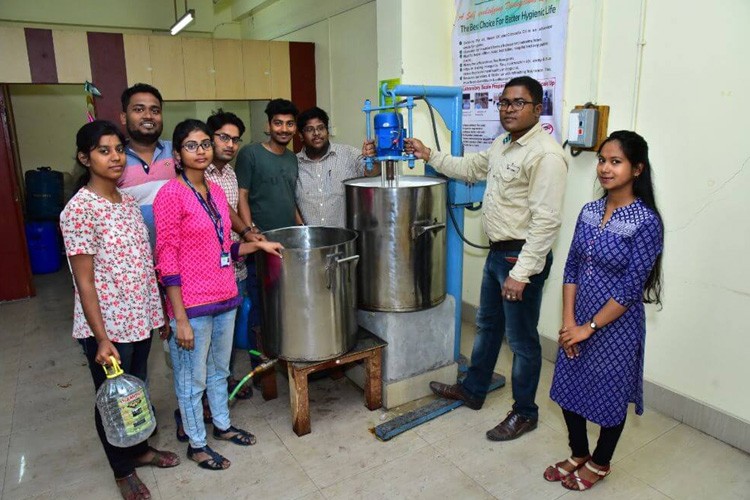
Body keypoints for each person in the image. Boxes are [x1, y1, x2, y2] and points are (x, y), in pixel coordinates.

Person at [374, 75, 568, 441]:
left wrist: (522, 273)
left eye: (518, 103)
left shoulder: (546, 156)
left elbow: (546, 223)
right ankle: (474, 390)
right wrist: (429, 155)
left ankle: (525, 412)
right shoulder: (503, 145)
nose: (509, 109)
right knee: (487, 327)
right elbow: (471, 168)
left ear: (538, 109)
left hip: (519, 258)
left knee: (523, 343)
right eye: (504, 103)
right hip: (498, 254)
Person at [153, 119, 283, 471]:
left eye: (204, 145)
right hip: (192, 306)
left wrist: (259, 244)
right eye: (191, 145)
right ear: (177, 154)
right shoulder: (171, 194)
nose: (200, 151)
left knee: (218, 371)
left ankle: (222, 426)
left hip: (225, 297)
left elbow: (225, 246)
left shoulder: (213, 189)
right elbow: (166, 258)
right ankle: (197, 444)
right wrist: (179, 317)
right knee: (190, 379)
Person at [60, 120, 179, 500]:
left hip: (140, 318)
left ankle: (140, 450)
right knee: (111, 399)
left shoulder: (126, 201)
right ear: (84, 157)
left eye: (117, 150)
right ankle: (122, 470)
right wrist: (101, 338)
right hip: (109, 327)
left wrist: (156, 314)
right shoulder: (79, 210)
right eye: (103, 150)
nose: (114, 157)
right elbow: (84, 282)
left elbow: (142, 264)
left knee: (137, 391)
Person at [545, 131, 663, 491]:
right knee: (568, 389)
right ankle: (578, 452)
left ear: (637, 168)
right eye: (602, 160)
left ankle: (600, 461)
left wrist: (589, 327)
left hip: (616, 328)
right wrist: (569, 323)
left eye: (616, 161)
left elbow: (630, 289)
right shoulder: (590, 211)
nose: (605, 169)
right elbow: (572, 268)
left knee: (609, 398)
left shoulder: (646, 222)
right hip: (577, 320)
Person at [204, 109, 261, 399]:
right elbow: (222, 210)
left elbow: (236, 209)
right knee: (207, 336)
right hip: (208, 271)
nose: (230, 145)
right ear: (209, 138)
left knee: (228, 331)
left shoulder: (229, 172)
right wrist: (250, 234)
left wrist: (251, 230)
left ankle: (223, 382)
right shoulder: (198, 173)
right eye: (224, 137)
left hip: (235, 264)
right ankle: (202, 397)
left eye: (235, 140)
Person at [295, 106, 377, 227]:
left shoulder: (348, 154)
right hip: (309, 241)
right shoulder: (293, 163)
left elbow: (372, 174)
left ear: (327, 131)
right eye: (309, 129)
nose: (316, 133)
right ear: (301, 135)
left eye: (321, 128)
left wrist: (373, 159)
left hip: (344, 239)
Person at [117, 83, 174, 247]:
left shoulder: (178, 153)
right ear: (123, 117)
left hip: (179, 259)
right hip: (133, 261)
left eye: (155, 111)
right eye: (139, 109)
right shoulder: (114, 159)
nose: (148, 116)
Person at [236, 98, 302, 232]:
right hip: (261, 235)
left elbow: (290, 198)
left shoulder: (293, 158)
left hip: (290, 235)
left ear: (295, 128)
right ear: (268, 125)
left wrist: (300, 227)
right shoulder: (250, 153)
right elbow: (241, 195)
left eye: (290, 124)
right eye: (278, 123)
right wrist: (250, 231)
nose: (284, 129)